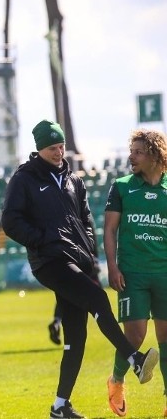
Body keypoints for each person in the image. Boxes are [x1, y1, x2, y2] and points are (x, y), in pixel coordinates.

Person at [1, 119, 159, 419]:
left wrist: (91, 254)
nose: (59, 152)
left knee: (76, 337)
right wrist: (42, 240)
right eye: (52, 148)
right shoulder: (24, 179)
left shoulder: (73, 179)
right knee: (98, 300)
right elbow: (10, 221)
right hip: (50, 261)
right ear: (39, 149)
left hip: (79, 260)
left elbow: (86, 219)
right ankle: (134, 359)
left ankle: (60, 406)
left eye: (61, 146)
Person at [104, 128, 167, 418]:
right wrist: (113, 266)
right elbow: (109, 230)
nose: (131, 157)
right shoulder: (121, 187)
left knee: (166, 337)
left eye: (138, 152)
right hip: (132, 274)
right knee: (136, 336)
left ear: (155, 155)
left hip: (164, 273)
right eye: (132, 151)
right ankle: (116, 382)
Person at [48, 216, 102, 346]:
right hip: (85, 259)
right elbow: (91, 236)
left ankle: (56, 321)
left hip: (67, 259)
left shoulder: (63, 215)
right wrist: (94, 258)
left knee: (66, 294)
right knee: (98, 295)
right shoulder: (83, 215)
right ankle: (105, 323)